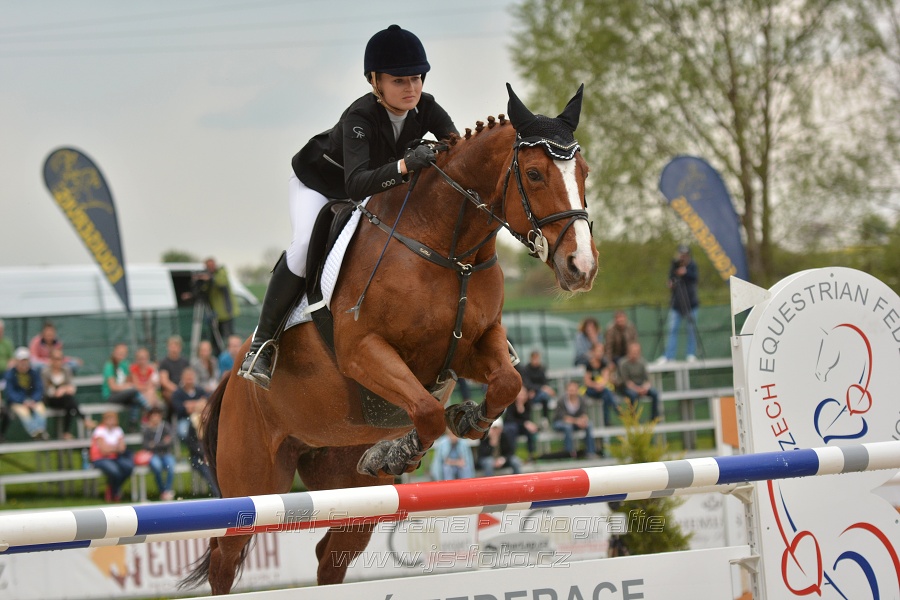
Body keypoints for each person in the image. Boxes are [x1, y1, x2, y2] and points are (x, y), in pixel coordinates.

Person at [238, 24, 458, 390]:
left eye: (416, 78)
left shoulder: (427, 108)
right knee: (305, 246)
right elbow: (355, 183)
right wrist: (406, 165)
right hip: (321, 186)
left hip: (371, 190)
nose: (411, 88)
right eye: (399, 81)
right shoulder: (360, 117)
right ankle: (263, 343)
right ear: (376, 82)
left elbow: (455, 147)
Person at [171, 367, 219, 497]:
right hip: (198, 457)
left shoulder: (211, 425)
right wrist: (204, 453)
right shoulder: (193, 425)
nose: (205, 415)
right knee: (207, 468)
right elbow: (192, 444)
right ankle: (218, 494)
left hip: (210, 455)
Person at [659, 245, 700, 363]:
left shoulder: (692, 265)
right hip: (676, 304)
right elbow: (671, 278)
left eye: (685, 255)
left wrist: (685, 273)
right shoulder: (675, 264)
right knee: (672, 330)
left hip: (690, 304)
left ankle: (691, 354)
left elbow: (695, 278)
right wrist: (671, 282)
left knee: (691, 330)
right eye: (681, 254)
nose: (682, 257)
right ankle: (669, 356)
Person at [42, 348, 95, 438]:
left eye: (59, 358)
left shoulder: (66, 370)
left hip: (65, 400)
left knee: (69, 404)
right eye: (55, 358)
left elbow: (71, 388)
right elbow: (48, 392)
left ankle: (67, 433)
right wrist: (62, 390)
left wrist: (62, 390)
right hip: (51, 401)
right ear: (51, 360)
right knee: (70, 401)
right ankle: (83, 420)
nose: (57, 361)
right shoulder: (45, 372)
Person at [191, 257, 240, 354]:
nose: (210, 268)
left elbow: (222, 283)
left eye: (211, 265)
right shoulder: (208, 276)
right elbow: (204, 290)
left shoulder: (221, 272)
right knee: (216, 340)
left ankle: (231, 355)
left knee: (228, 337)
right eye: (208, 266)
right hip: (215, 315)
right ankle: (218, 355)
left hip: (226, 312)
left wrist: (210, 278)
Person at [3, 347, 48, 439]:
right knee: (24, 413)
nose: (24, 363)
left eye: (26, 360)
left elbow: (39, 389)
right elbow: (10, 393)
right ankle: (35, 432)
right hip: (18, 402)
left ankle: (40, 430)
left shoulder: (34, 373)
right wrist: (22, 401)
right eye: (21, 361)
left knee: (41, 409)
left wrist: (33, 400)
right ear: (17, 361)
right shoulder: (10, 374)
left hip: (32, 401)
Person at [90, 410, 134, 502]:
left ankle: (113, 488)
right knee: (115, 471)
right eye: (109, 419)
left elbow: (122, 448)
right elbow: (103, 450)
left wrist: (110, 448)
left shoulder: (118, 430)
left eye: (113, 419)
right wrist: (115, 448)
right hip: (100, 458)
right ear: (104, 420)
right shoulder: (100, 430)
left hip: (115, 457)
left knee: (129, 467)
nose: (111, 421)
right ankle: (115, 492)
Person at [101, 343, 149, 424]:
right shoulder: (109, 366)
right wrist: (127, 386)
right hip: (111, 396)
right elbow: (113, 387)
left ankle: (132, 423)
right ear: (114, 352)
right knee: (133, 391)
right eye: (119, 352)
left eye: (123, 353)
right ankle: (149, 409)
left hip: (123, 394)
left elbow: (129, 380)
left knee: (134, 400)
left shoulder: (125, 364)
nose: (121, 355)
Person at [553, 380, 597, 459]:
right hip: (560, 423)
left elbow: (584, 413)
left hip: (575, 423)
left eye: (574, 390)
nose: (572, 392)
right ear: (567, 390)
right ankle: (569, 454)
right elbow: (564, 417)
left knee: (588, 425)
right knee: (568, 426)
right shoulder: (561, 401)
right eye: (570, 390)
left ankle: (590, 452)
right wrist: (577, 421)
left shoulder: (582, 399)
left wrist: (583, 420)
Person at [618, 342, 662, 421]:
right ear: (628, 352)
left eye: (636, 352)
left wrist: (644, 388)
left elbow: (648, 380)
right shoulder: (623, 363)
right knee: (633, 395)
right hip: (627, 388)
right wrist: (637, 389)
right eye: (633, 352)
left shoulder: (642, 362)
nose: (635, 354)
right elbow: (626, 382)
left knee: (655, 393)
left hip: (641, 386)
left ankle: (654, 418)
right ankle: (634, 419)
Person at [141, 406, 176, 501]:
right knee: (157, 467)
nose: (156, 418)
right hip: (153, 455)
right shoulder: (147, 429)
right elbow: (146, 445)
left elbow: (169, 442)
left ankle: (167, 491)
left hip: (166, 454)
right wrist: (162, 443)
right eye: (154, 415)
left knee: (171, 466)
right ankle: (164, 491)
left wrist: (155, 444)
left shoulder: (165, 427)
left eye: (158, 415)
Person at [581, 343, 619, 428]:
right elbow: (587, 381)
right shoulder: (589, 364)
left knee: (606, 396)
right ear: (593, 352)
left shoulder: (604, 363)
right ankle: (617, 410)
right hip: (591, 390)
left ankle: (606, 421)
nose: (600, 353)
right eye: (598, 351)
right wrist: (596, 385)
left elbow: (605, 378)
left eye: (601, 351)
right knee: (607, 393)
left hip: (601, 389)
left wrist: (600, 385)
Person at [502, 386, 539, 462]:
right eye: (520, 394)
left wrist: (521, 409)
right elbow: (510, 419)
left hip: (521, 427)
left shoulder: (528, 404)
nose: (522, 396)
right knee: (512, 429)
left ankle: (531, 454)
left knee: (531, 430)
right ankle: (512, 454)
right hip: (511, 426)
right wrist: (524, 422)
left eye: (523, 394)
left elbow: (527, 419)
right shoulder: (511, 403)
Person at [520, 350, 556, 423]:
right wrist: (536, 389)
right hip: (529, 393)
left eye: (537, 358)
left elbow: (544, 382)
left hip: (538, 393)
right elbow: (527, 383)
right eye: (534, 358)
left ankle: (544, 419)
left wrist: (539, 389)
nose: (536, 360)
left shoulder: (541, 369)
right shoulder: (526, 369)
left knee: (544, 396)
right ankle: (529, 421)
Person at [158, 335, 190, 408]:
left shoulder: (185, 362)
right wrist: (178, 391)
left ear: (180, 348)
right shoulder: (164, 362)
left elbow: (189, 376)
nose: (174, 349)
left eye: (176, 346)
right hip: (170, 391)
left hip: (184, 389)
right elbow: (164, 382)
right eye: (171, 346)